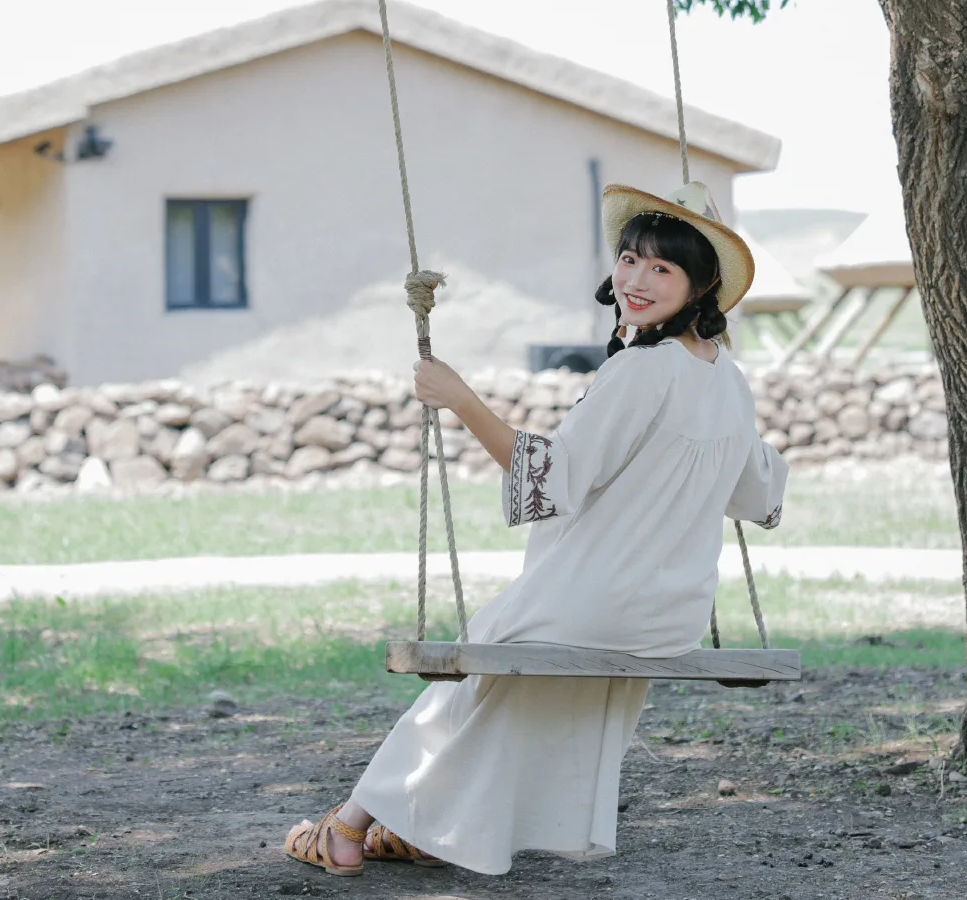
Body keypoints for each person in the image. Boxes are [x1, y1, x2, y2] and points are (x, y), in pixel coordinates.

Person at [284, 179, 788, 877]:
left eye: (662, 269)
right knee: (508, 692)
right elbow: (758, 491)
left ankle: (346, 826)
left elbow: (550, 480)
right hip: (671, 614)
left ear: (702, 288)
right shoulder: (729, 382)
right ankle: (426, 827)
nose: (637, 280)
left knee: (465, 682)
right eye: (630, 259)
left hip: (594, 601)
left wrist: (460, 398)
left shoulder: (643, 372)